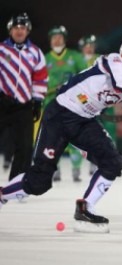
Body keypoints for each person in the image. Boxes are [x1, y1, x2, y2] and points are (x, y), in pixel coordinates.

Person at [0, 35, 122, 233]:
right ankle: (2, 195)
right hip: (60, 116)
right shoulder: (112, 60)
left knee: (113, 162)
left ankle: (85, 208)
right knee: (39, 182)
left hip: (85, 121)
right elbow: (120, 82)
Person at [0, 12, 48, 181]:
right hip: (2, 102)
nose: (19, 31)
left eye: (23, 28)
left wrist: (37, 101)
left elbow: (40, 78)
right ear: (10, 30)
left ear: (28, 30)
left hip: (24, 105)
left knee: (26, 147)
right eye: (16, 28)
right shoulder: (1, 50)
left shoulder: (35, 52)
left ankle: (17, 183)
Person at [45, 25, 88, 182]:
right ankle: (54, 168)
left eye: (60, 37)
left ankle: (76, 169)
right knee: (53, 138)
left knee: (75, 137)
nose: (57, 39)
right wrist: (51, 89)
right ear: (50, 40)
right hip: (51, 104)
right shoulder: (45, 59)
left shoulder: (75, 56)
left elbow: (85, 76)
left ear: (64, 39)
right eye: (54, 37)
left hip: (73, 104)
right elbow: (38, 82)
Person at [78, 34, 117, 175]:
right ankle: (92, 162)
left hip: (104, 101)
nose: (89, 48)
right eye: (86, 46)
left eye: (91, 46)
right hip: (87, 104)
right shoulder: (76, 61)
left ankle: (109, 160)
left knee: (108, 131)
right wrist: (83, 103)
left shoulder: (102, 59)